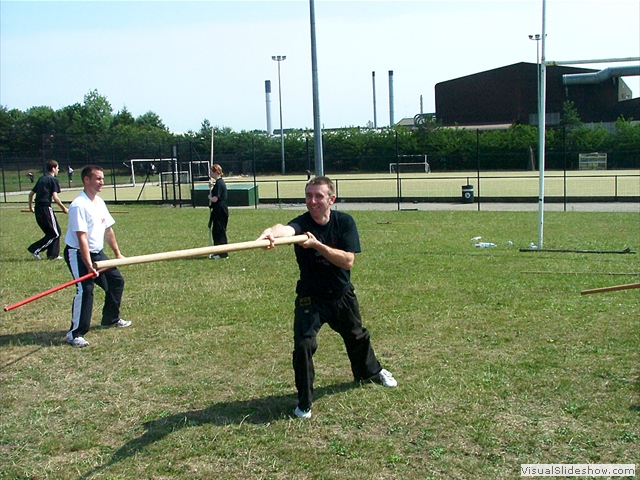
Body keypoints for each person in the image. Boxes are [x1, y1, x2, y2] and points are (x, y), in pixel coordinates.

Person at [258, 176, 397, 419]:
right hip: (310, 297)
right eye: (309, 196)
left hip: (341, 295)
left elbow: (347, 261)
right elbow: (285, 229)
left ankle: (371, 372)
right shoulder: (302, 223)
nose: (312, 201)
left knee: (357, 336)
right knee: (303, 345)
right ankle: (304, 403)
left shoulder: (344, 222)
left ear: (331, 199)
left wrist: (318, 245)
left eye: (318, 196)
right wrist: (270, 233)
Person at [63, 165, 131, 348]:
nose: (102, 182)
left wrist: (117, 254)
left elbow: (108, 230)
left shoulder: (99, 202)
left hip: (97, 252)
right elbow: (81, 239)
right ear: (87, 180)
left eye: (102, 178)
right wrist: (88, 264)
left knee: (116, 280)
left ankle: (110, 319)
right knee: (85, 290)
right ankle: (75, 334)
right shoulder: (78, 205)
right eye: (98, 179)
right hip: (77, 254)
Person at [27, 159, 68, 260]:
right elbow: (55, 197)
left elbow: (31, 194)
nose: (58, 170)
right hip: (45, 208)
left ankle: (52, 255)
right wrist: (64, 208)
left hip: (38, 208)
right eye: (57, 168)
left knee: (55, 231)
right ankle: (35, 249)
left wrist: (31, 207)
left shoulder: (41, 179)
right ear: (53, 168)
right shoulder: (53, 180)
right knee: (55, 233)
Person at [207, 164, 229, 259]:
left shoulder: (220, 183)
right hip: (218, 209)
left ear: (216, 172)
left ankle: (223, 253)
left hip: (220, 209)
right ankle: (217, 252)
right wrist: (212, 186)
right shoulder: (218, 183)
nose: (210, 173)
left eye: (211, 171)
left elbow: (215, 199)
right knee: (215, 231)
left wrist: (210, 197)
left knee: (220, 231)